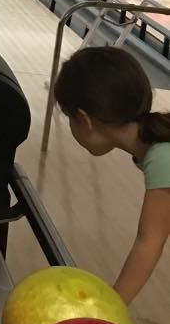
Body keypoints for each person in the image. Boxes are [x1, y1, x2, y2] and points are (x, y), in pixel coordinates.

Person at [54, 44, 170, 305]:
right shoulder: (157, 146)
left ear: (84, 119)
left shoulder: (163, 156)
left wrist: (111, 308)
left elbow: (150, 241)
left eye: (68, 118)